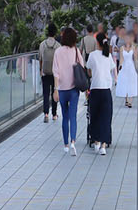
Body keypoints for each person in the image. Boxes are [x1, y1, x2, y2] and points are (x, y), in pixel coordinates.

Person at [52, 27, 85, 155]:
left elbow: (56, 72)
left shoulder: (58, 52)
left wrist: (55, 90)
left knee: (65, 117)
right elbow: (81, 67)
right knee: (73, 116)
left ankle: (65, 144)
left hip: (61, 89)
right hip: (73, 89)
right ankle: (73, 142)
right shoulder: (76, 51)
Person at [86, 34, 117, 155]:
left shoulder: (92, 55)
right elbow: (110, 69)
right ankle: (104, 145)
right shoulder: (108, 56)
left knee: (95, 116)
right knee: (106, 117)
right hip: (106, 90)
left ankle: (96, 141)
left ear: (97, 42)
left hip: (95, 89)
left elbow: (89, 71)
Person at [38, 24, 61, 124]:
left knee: (46, 93)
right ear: (55, 33)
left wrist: (40, 69)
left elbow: (40, 58)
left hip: (45, 72)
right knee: (54, 92)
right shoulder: (58, 45)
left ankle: (46, 114)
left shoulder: (42, 44)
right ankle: (54, 114)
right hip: (55, 73)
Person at [115, 29, 138, 109]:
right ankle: (126, 99)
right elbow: (121, 58)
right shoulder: (121, 48)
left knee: (132, 82)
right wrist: (120, 66)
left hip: (131, 66)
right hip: (125, 66)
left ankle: (130, 101)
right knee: (124, 82)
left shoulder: (134, 48)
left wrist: (136, 68)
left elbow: (135, 58)